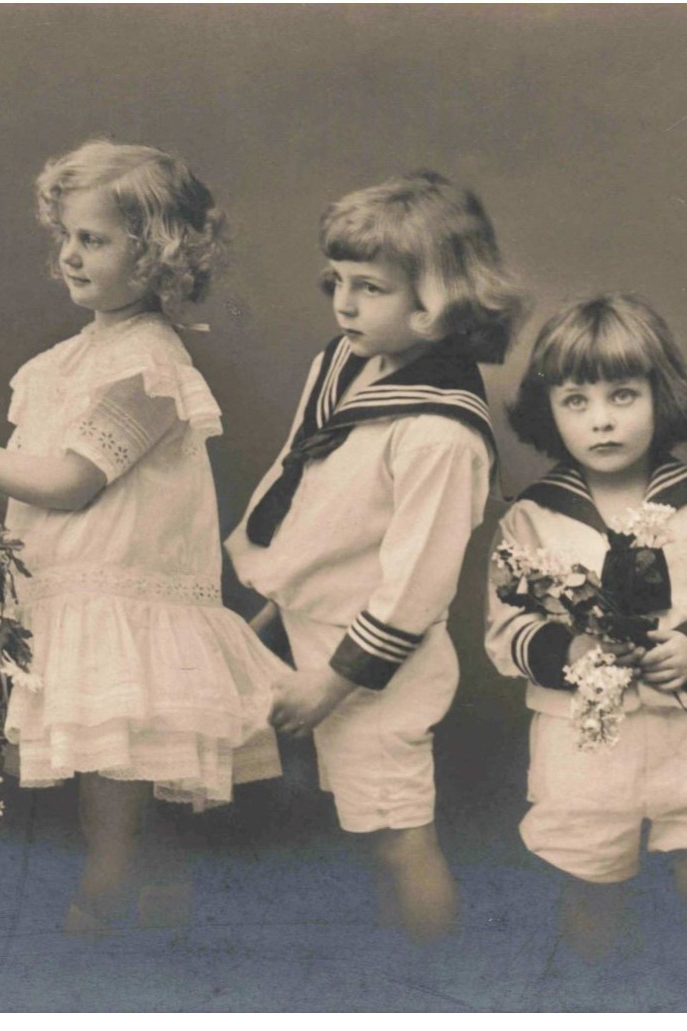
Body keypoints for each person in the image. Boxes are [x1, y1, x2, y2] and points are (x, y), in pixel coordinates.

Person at [0, 140, 282, 934]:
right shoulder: (61, 362)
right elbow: (34, 480)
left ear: (158, 254)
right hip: (70, 581)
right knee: (104, 760)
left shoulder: (151, 365)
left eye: (92, 239)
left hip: (122, 590)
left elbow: (71, 480)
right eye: (64, 235)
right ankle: (154, 893)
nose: (68, 253)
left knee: (114, 757)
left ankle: (104, 893)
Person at [225, 170, 525, 940]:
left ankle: (438, 973)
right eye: (339, 281)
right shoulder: (344, 360)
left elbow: (415, 590)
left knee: (395, 836)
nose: (344, 303)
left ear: (440, 300)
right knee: (349, 825)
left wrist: (331, 684)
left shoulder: (441, 432)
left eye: (372, 288)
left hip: (370, 663)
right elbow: (317, 497)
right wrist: (276, 605)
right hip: (303, 618)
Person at [486, 293, 687, 959]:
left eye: (622, 396)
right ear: (548, 411)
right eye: (576, 402)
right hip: (582, 744)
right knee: (590, 888)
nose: (600, 421)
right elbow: (505, 628)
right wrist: (574, 648)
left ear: (662, 395)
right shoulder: (531, 519)